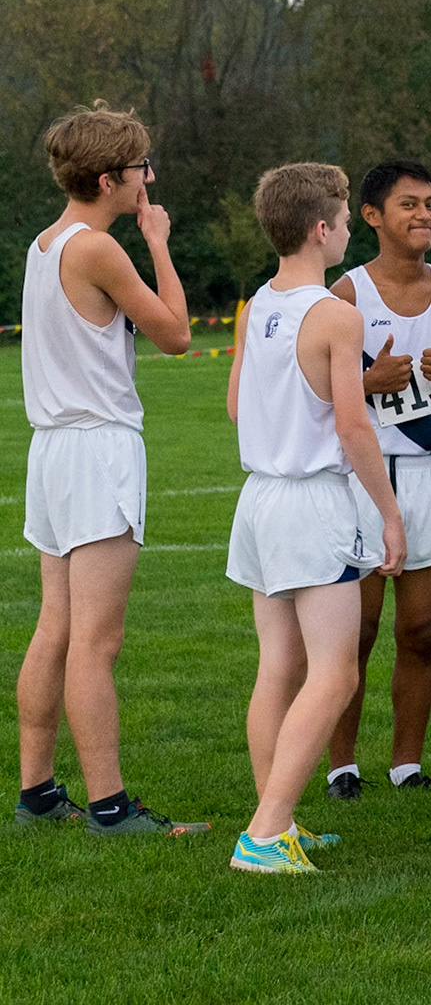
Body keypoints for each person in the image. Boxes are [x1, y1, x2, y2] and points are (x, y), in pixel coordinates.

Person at [14, 102, 207, 837]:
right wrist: (158, 244)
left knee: (56, 627)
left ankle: (37, 795)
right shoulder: (98, 248)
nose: (147, 180)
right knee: (96, 641)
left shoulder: (44, 243)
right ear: (107, 179)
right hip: (97, 451)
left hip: (53, 452)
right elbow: (177, 335)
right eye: (140, 169)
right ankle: (110, 808)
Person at [225, 164, 406, 873]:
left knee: (279, 666)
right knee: (335, 675)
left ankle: (275, 822)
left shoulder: (255, 306)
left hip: (259, 500)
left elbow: (238, 406)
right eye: (344, 218)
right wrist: (390, 515)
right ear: (321, 228)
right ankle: (266, 834)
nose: (347, 231)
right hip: (310, 503)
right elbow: (355, 428)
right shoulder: (336, 314)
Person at [326, 161, 431, 799]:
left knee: (420, 632)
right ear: (372, 216)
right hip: (364, 481)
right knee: (356, 633)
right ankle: (342, 767)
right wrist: (368, 382)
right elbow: (313, 394)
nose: (425, 214)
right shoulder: (346, 295)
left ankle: (406, 765)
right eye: (409, 204)